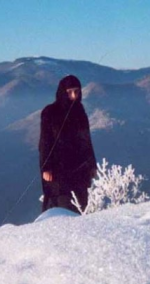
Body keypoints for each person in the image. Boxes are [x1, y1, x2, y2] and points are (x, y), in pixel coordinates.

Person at [39, 75, 97, 214]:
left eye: (77, 91)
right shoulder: (50, 112)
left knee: (80, 206)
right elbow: (45, 141)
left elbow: (86, 140)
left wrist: (92, 165)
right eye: (69, 91)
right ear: (62, 92)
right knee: (60, 207)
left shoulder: (80, 111)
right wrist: (46, 167)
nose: (74, 95)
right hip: (58, 169)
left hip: (80, 168)